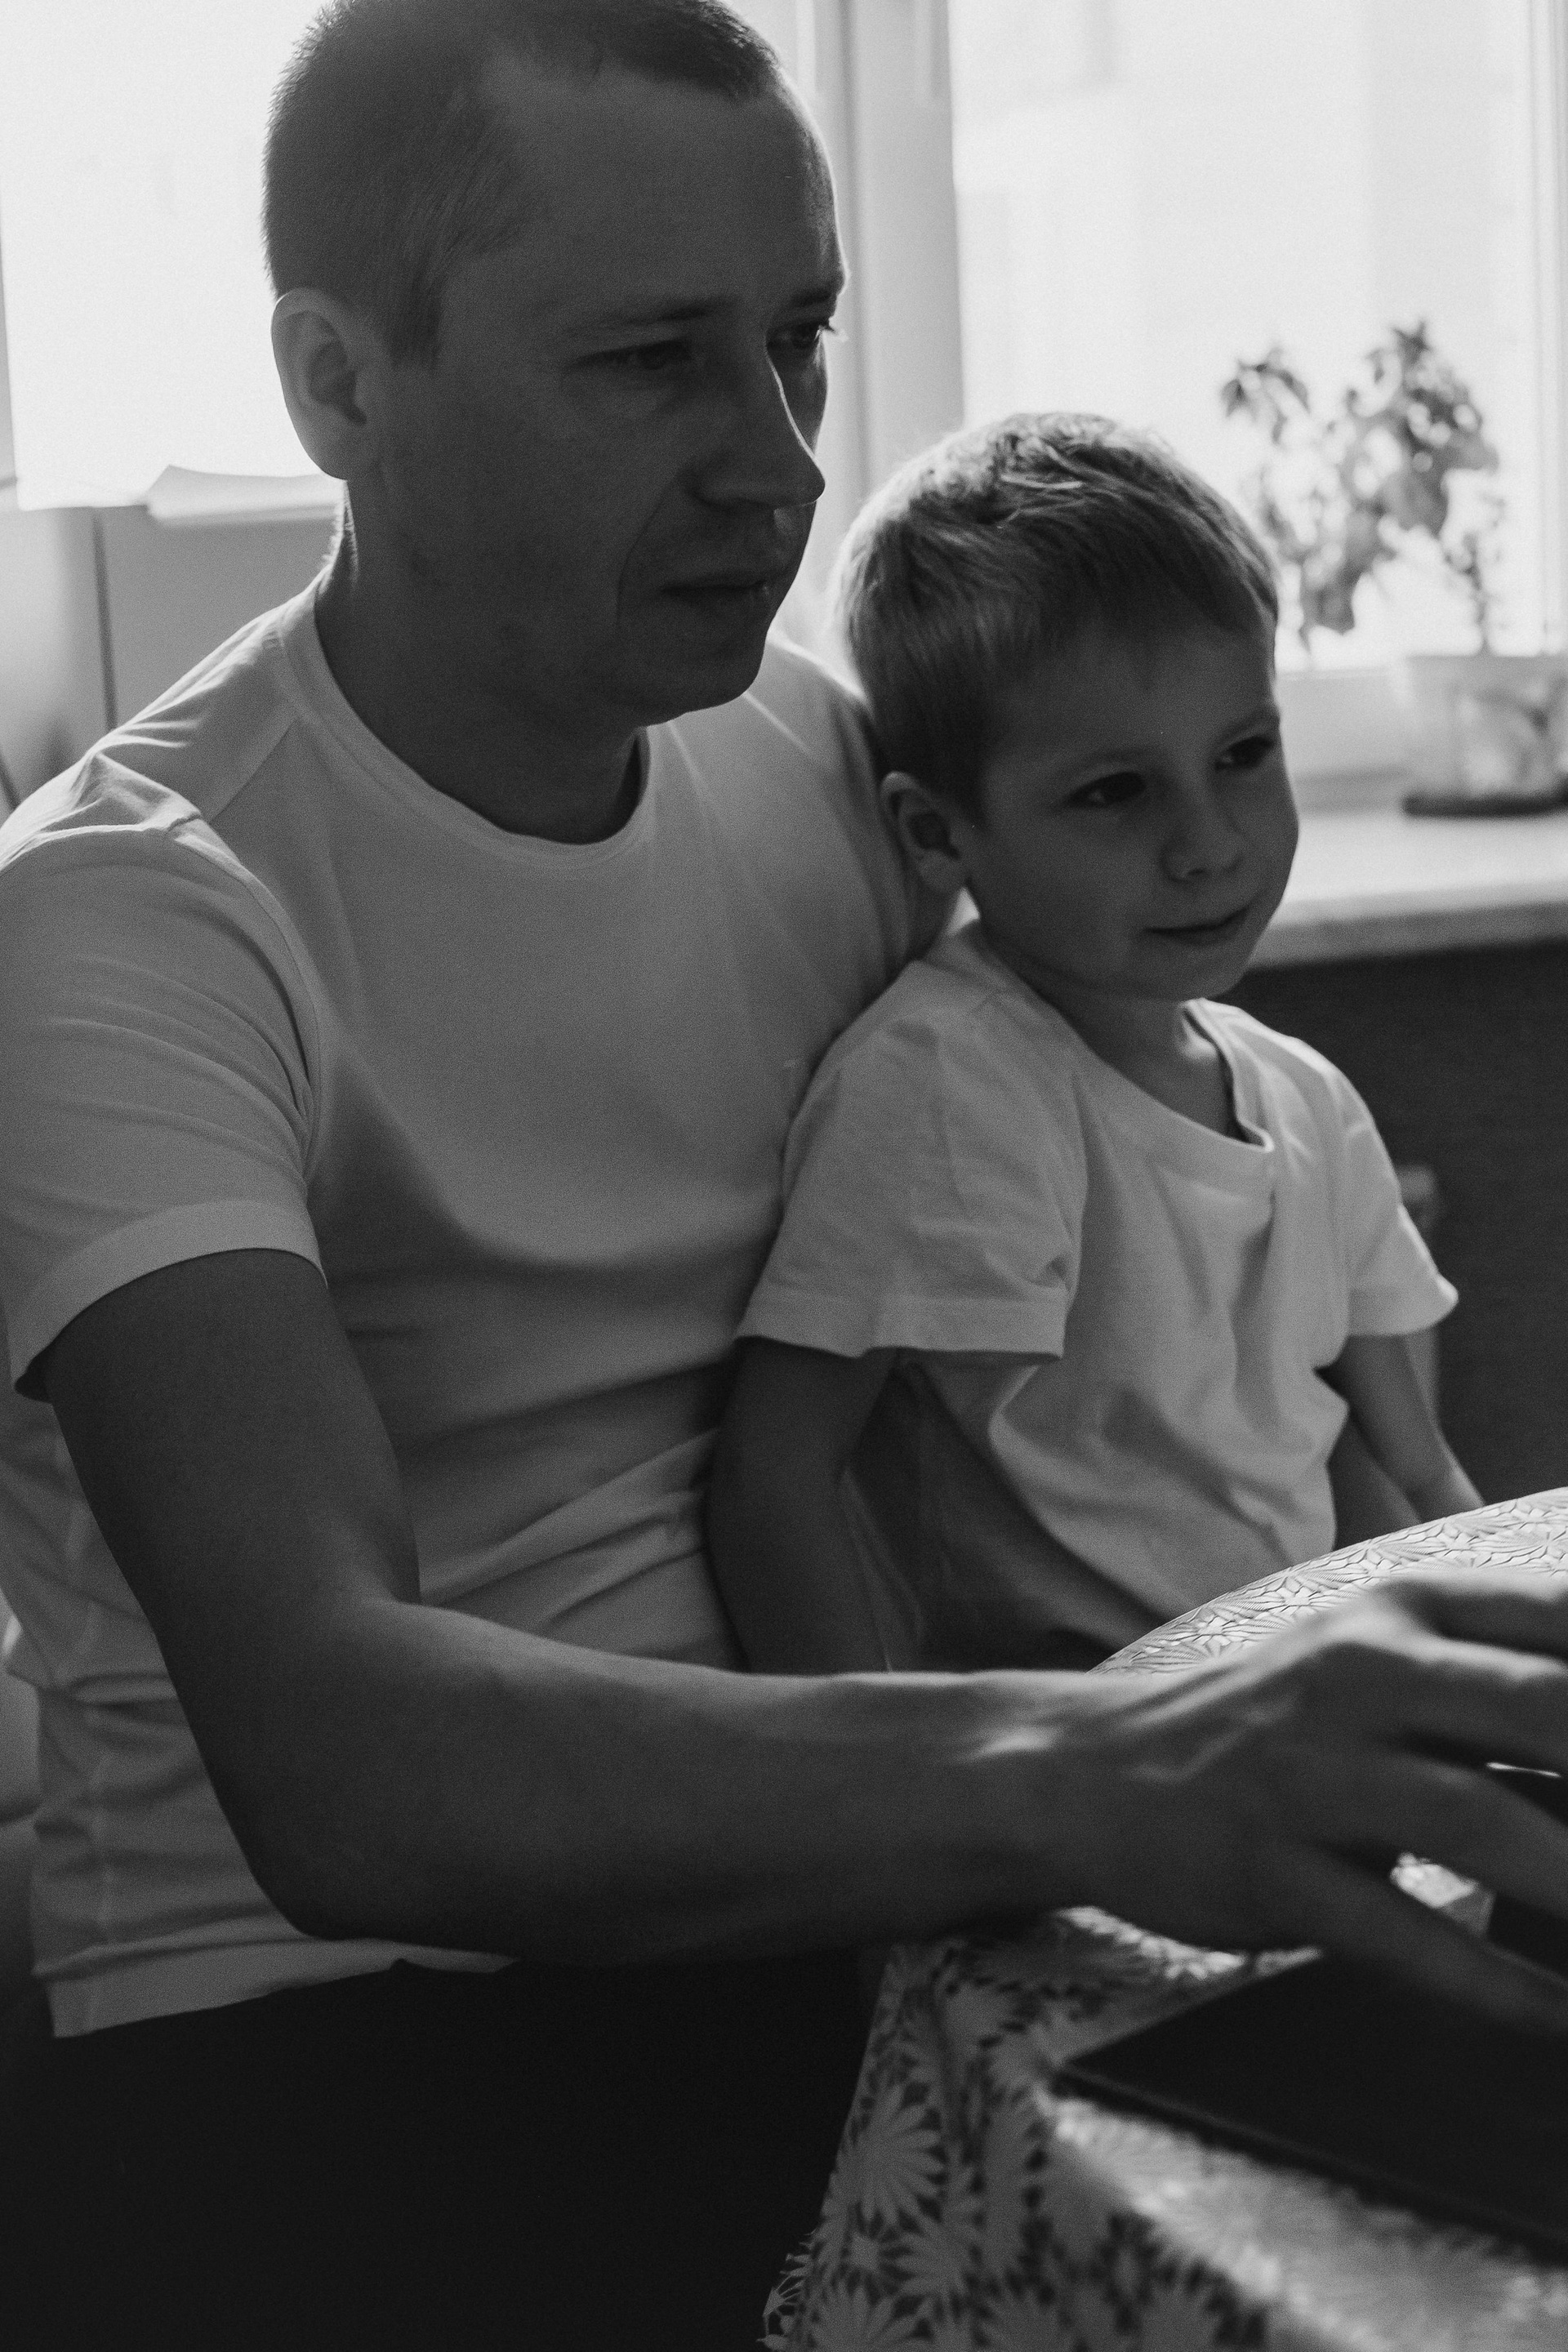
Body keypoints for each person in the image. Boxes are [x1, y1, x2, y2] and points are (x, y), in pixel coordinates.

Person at [2, 3, 1568, 2345]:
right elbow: (344, 1768)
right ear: (338, 385)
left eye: (800, 339)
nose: (779, 461)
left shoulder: (810, 760)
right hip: (333, 2025)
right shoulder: (128, 916)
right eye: (650, 361)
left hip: (848, 1875)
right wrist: (1108, 1756)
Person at [708, 414, 1482, 1677]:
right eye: (1116, 791)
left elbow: (1423, 1483)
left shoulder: (1310, 1103)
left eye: (1243, 754)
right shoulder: (954, 1081)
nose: (1208, 844)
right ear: (938, 835)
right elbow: (774, 1488)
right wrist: (885, 1781)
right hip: (1078, 1748)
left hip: (1299, 1712)